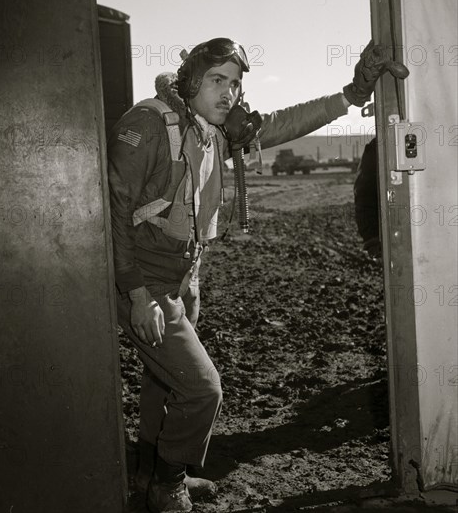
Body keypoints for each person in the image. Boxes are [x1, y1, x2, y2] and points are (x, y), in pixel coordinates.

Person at [107, 38, 408, 512]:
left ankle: (151, 473)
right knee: (202, 388)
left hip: (185, 276)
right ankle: (167, 484)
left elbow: (287, 122)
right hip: (146, 281)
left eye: (234, 84)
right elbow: (115, 211)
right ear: (190, 80)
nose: (227, 93)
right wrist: (138, 294)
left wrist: (352, 92)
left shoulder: (212, 128)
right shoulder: (149, 125)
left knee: (163, 381)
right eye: (216, 80)